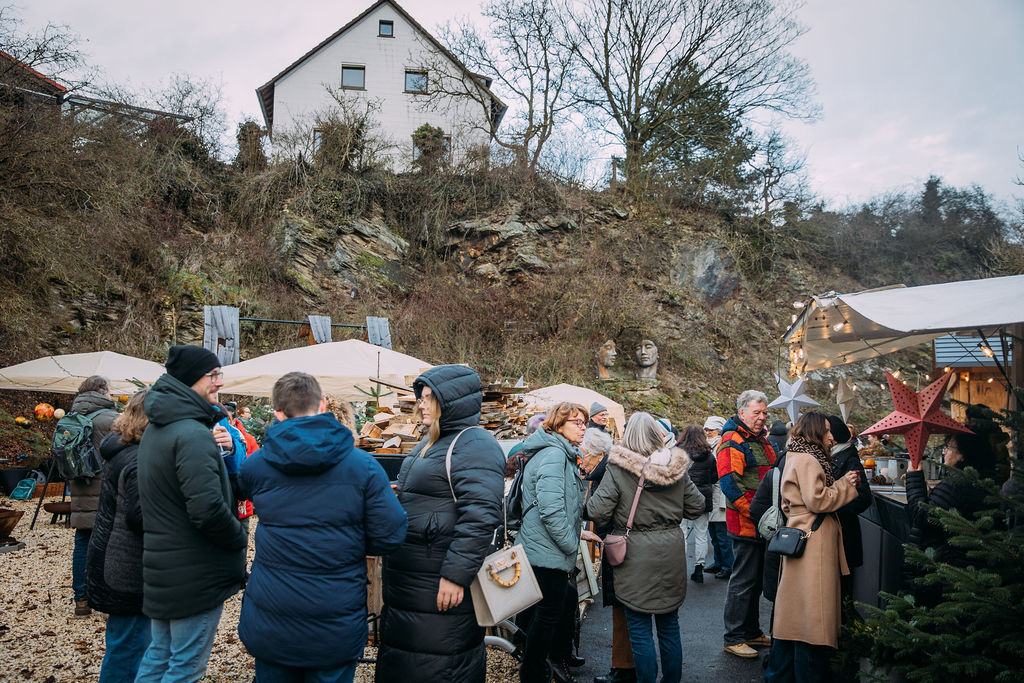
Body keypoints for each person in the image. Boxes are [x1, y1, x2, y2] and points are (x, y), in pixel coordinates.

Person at [238, 372, 407, 683]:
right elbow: (391, 534)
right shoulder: (364, 466)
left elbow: (246, 494)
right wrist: (350, 541)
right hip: (335, 617)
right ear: (323, 404)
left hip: (273, 616)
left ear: (277, 413)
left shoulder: (256, 465)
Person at [375, 365, 505, 683]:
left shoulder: (475, 444)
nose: (421, 404)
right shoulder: (432, 442)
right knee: (406, 662)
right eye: (420, 397)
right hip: (412, 585)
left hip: (438, 584)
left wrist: (455, 576)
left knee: (437, 666)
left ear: (450, 401)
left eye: (428, 398)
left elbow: (480, 516)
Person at [135, 345, 249, 682]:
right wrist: (238, 538)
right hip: (195, 572)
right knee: (185, 665)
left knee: (159, 655)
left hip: (164, 566)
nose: (220, 382)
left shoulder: (159, 428)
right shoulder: (192, 434)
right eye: (213, 375)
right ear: (190, 379)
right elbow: (207, 509)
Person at [587, 412, 705, 683]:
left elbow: (597, 510)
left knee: (639, 629)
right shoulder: (676, 469)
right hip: (672, 551)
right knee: (669, 626)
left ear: (628, 437)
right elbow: (697, 506)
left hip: (634, 554)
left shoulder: (618, 469)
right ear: (656, 434)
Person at [764, 412, 860, 682]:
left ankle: (781, 675)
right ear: (815, 432)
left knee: (794, 619)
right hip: (813, 544)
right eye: (827, 431)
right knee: (811, 621)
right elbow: (817, 500)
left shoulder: (796, 454)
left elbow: (794, 502)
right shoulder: (808, 459)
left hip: (802, 537)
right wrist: (845, 484)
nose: (832, 437)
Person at [516, 402, 594, 683]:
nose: (583, 428)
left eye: (584, 423)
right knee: (548, 613)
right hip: (547, 550)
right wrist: (571, 544)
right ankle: (533, 673)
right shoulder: (554, 454)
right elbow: (551, 510)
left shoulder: (559, 452)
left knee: (545, 609)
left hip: (543, 546)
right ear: (558, 425)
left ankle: (535, 666)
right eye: (576, 422)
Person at [86, 390, 150, 682]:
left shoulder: (121, 446)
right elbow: (141, 517)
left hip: (111, 554)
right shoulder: (138, 458)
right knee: (129, 648)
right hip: (127, 566)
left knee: (126, 643)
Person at [716, 390, 776, 659]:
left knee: (754, 581)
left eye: (765, 413)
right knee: (743, 581)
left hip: (761, 524)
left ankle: (751, 631)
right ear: (742, 412)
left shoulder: (760, 440)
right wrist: (755, 513)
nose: (762, 417)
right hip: (747, 525)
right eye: (757, 412)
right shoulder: (733, 440)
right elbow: (730, 483)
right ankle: (734, 637)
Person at [905, 431, 995, 603]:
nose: (944, 451)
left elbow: (923, 516)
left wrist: (914, 477)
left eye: (948, 447)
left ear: (963, 455)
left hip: (943, 567)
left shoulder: (955, 485)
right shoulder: (982, 481)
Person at [68, 375, 120, 618]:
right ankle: (109, 596)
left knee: (82, 541)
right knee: (112, 543)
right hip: (107, 488)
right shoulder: (112, 419)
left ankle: (81, 599)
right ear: (102, 392)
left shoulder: (70, 418)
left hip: (80, 486)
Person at [825, 416, 872, 608]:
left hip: (844, 535)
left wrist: (832, 505)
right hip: (837, 535)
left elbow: (863, 497)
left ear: (834, 437)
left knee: (842, 593)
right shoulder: (835, 457)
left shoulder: (849, 460)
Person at [679, 425, 716, 584]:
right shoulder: (709, 456)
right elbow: (714, 477)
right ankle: (699, 568)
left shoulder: (678, 453)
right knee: (701, 534)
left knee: (681, 533)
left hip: (681, 497)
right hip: (702, 498)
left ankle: (680, 568)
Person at [702, 416, 733, 580]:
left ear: (719, 430)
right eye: (706, 430)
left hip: (720, 495)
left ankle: (728, 565)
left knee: (722, 535)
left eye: (711, 430)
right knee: (713, 533)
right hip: (710, 494)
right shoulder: (708, 446)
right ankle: (718, 562)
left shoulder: (722, 445)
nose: (708, 433)